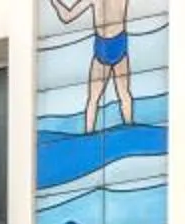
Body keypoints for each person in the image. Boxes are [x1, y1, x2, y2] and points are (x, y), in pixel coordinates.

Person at [52, 0, 137, 134]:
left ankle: (91, 133)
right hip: (113, 44)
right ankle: (128, 127)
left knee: (97, 99)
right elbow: (67, 17)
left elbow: (67, 16)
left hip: (109, 44)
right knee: (121, 95)